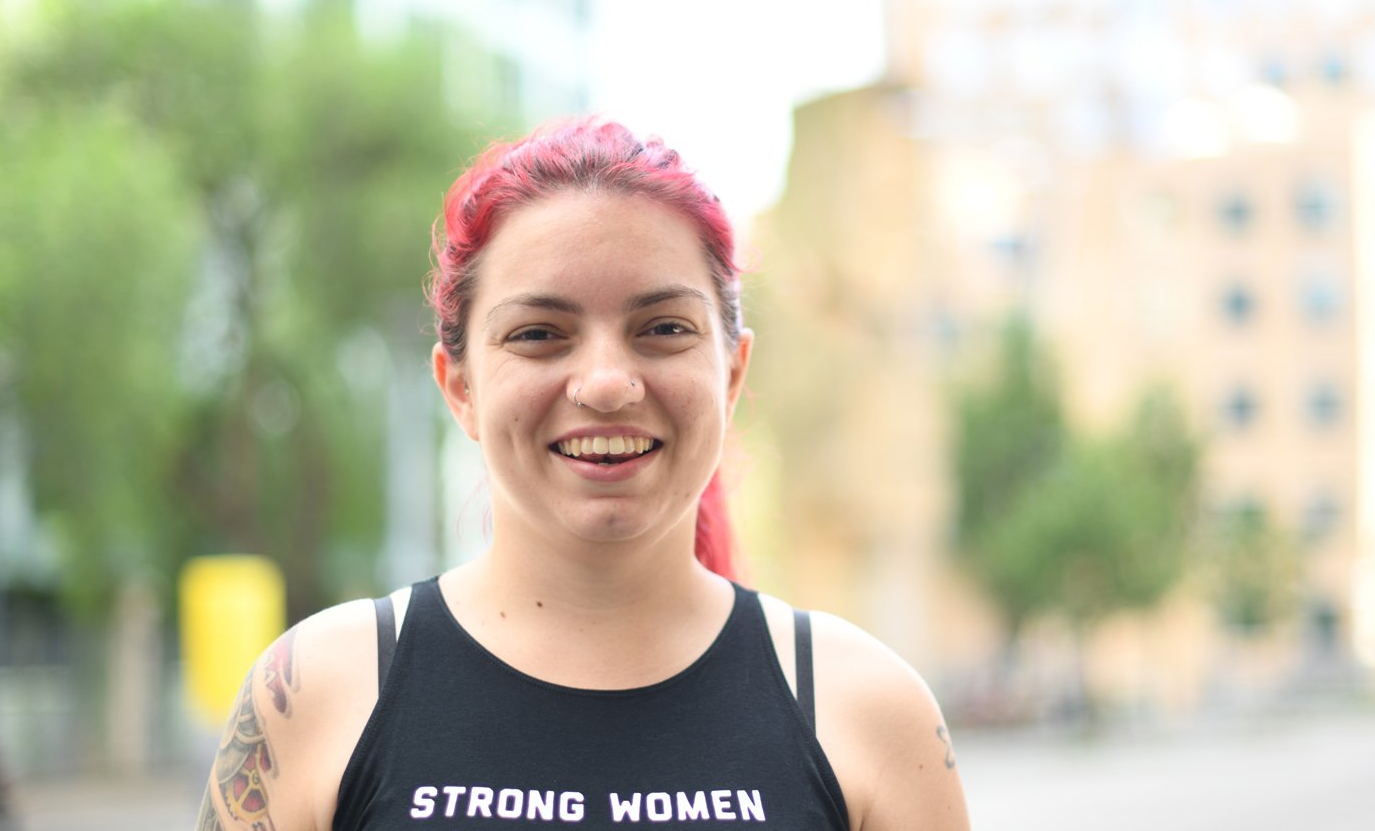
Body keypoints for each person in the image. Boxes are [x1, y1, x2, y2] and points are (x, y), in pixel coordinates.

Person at [195, 119, 970, 830]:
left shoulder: (868, 713)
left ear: (732, 374)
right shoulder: (316, 697)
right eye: (539, 334)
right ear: (459, 387)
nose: (605, 383)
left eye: (662, 328)